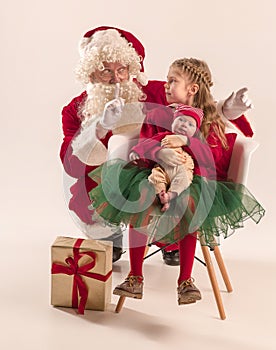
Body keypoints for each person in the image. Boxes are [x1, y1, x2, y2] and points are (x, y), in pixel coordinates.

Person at [60, 25, 254, 265]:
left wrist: (227, 108)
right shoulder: (74, 111)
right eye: (105, 71)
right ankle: (110, 235)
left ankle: (169, 240)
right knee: (91, 183)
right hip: (114, 173)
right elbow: (70, 162)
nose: (116, 78)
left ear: (132, 69)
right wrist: (99, 127)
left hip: (157, 167)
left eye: (122, 69)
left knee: (171, 181)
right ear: (90, 74)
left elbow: (196, 109)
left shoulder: (155, 91)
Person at [88, 57, 265, 304]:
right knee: (142, 197)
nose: (166, 86)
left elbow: (212, 158)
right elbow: (143, 143)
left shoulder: (209, 120)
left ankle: (185, 280)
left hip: (195, 180)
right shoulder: (160, 114)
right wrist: (157, 151)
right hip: (155, 174)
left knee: (189, 205)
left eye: (173, 81)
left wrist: (188, 142)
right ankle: (134, 276)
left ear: (192, 89)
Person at [129, 104, 205, 212]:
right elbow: (147, 144)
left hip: (182, 170)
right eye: (181, 120)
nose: (184, 125)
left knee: (184, 181)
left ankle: (170, 196)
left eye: (190, 125)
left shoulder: (192, 143)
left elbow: (203, 156)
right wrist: (136, 152)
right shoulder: (164, 135)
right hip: (162, 168)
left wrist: (187, 141)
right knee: (155, 178)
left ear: (195, 132)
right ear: (173, 122)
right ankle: (162, 198)